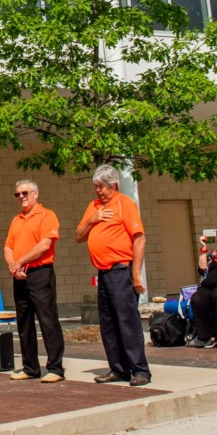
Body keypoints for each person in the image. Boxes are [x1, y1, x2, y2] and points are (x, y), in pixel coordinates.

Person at [76, 164, 151, 387]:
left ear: (114, 185)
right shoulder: (94, 206)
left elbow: (139, 239)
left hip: (121, 270)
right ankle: (118, 368)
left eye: (102, 187)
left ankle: (140, 370)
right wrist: (93, 219)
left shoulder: (125, 204)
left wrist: (136, 273)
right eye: (96, 186)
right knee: (107, 322)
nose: (98, 191)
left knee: (127, 321)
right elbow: (79, 236)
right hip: (103, 272)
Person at [4, 179, 66, 383]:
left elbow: (44, 245)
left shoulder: (47, 215)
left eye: (25, 193)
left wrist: (19, 262)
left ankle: (55, 368)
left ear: (35, 194)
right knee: (24, 322)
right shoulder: (16, 220)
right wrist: (14, 267)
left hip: (40, 273)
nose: (21, 197)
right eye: (18, 194)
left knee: (47, 320)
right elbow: (8, 247)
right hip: (19, 276)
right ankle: (30, 367)